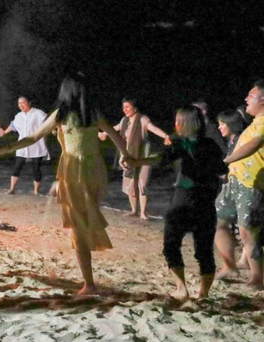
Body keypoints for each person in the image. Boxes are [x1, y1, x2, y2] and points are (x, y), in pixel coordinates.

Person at [0, 76, 131, 295]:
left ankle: (89, 284)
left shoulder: (61, 114)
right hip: (95, 170)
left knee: (78, 227)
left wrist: (5, 149)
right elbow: (117, 138)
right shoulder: (92, 113)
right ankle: (89, 280)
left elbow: (33, 138)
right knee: (84, 221)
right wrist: (124, 156)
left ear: (65, 92)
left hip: (75, 169)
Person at [130, 107, 227, 302]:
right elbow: (221, 170)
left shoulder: (180, 143)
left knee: (171, 245)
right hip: (206, 201)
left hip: (183, 200)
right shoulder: (211, 145)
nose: (175, 124)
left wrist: (137, 161)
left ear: (184, 123)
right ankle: (204, 294)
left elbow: (160, 159)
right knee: (204, 250)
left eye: (177, 120)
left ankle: (182, 289)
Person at [217, 79, 264, 290]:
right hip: (235, 182)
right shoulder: (255, 123)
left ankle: (257, 277)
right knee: (219, 223)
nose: (246, 99)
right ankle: (230, 266)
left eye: (251, 96)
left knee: (247, 232)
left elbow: (254, 145)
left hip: (251, 184)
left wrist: (225, 161)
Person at [100, 97, 171, 219]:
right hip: (128, 157)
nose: (125, 109)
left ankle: (143, 212)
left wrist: (166, 136)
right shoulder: (124, 120)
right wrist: (104, 133)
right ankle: (134, 210)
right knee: (129, 185)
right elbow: (115, 128)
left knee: (142, 184)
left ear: (135, 108)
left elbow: (153, 128)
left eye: (127, 107)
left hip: (144, 157)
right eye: (123, 107)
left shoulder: (142, 119)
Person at [214, 110, 249, 279]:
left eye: (223, 124)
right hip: (235, 187)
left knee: (244, 229)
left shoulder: (242, 141)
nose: (219, 127)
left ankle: (240, 268)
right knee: (244, 228)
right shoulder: (234, 141)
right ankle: (241, 262)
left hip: (242, 187)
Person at [0, 96, 50, 195]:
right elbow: (13, 125)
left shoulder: (37, 113)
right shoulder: (19, 116)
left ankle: (36, 191)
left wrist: (55, 128)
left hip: (36, 145)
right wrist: (4, 132)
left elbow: (47, 121)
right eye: (19, 103)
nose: (21, 105)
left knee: (36, 168)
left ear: (29, 103)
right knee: (17, 166)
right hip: (22, 145)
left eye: (23, 102)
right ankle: (12, 189)